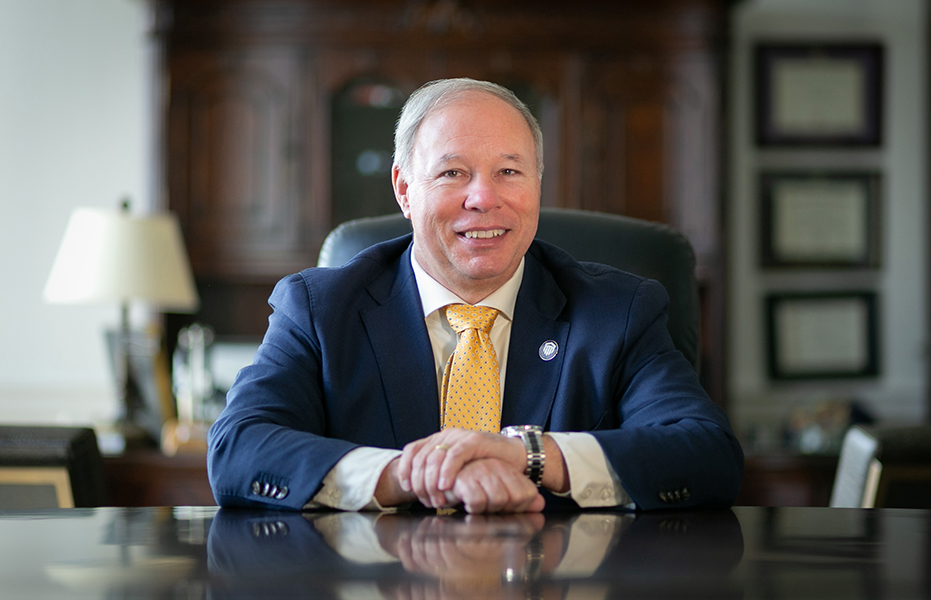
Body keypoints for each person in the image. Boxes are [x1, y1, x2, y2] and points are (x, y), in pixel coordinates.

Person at [207, 78, 743, 513]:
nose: (483, 198)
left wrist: (528, 457)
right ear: (404, 190)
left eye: (509, 171)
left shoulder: (618, 312)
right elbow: (239, 448)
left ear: (537, 184)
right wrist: (405, 474)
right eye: (452, 172)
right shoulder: (321, 308)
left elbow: (706, 453)